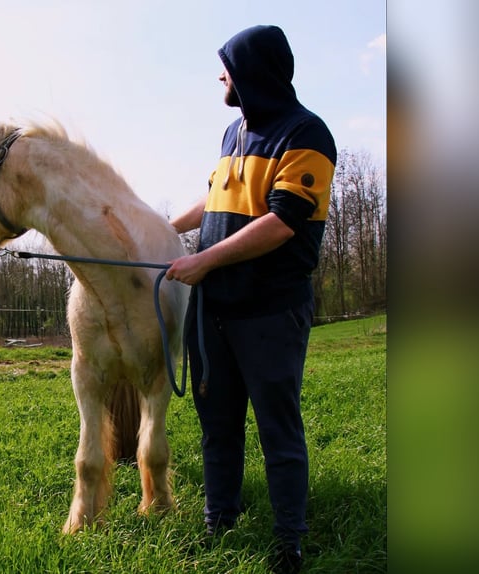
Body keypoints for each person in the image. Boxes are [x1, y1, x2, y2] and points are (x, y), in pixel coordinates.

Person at [166, 25, 336, 574]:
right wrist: (163, 233)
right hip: (214, 311)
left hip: (270, 311)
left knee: (277, 431)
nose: (221, 76)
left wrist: (203, 260)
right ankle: (221, 522)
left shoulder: (306, 134)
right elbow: (214, 196)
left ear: (253, 72)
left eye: (228, 66)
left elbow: (283, 222)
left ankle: (289, 543)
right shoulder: (232, 133)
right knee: (217, 426)